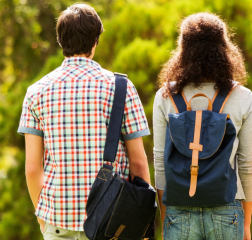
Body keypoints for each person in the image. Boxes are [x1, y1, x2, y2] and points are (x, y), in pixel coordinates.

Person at [17, 4, 151, 240]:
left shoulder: (36, 92)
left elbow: (32, 167)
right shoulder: (121, 88)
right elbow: (138, 164)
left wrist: (42, 216)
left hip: (57, 223)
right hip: (113, 225)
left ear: (60, 41)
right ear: (96, 40)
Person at [153, 13, 252, 240]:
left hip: (178, 209)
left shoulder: (165, 96)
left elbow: (160, 163)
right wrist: (246, 222)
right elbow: (247, 165)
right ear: (223, 47)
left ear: (183, 49)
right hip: (228, 208)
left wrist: (166, 215)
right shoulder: (242, 97)